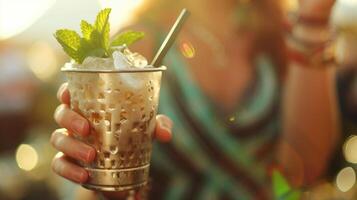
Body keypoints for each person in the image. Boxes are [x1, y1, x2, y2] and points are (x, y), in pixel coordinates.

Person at [51, 0, 340, 199]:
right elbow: (104, 184)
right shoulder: (137, 43)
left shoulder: (284, 37)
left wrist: (314, 20)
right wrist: (95, 176)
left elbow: (307, 169)